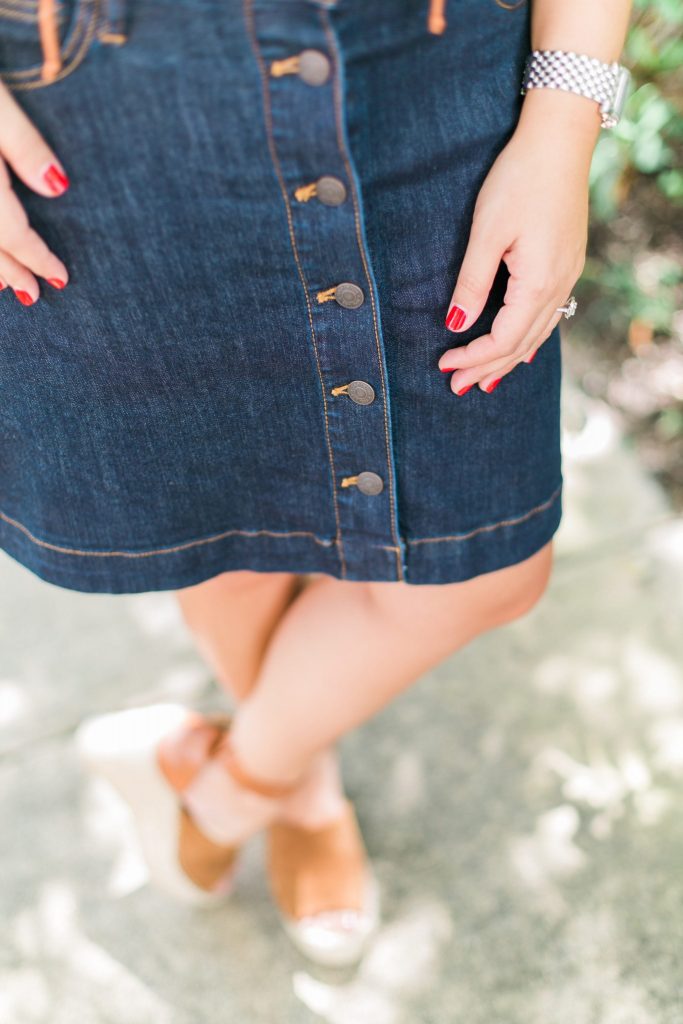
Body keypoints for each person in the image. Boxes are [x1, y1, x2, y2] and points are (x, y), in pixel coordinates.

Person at [0, 0, 632, 968]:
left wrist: (562, 122)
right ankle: (299, 793)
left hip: (427, 69)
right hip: (104, 97)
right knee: (229, 527)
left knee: (486, 568)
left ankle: (226, 788)